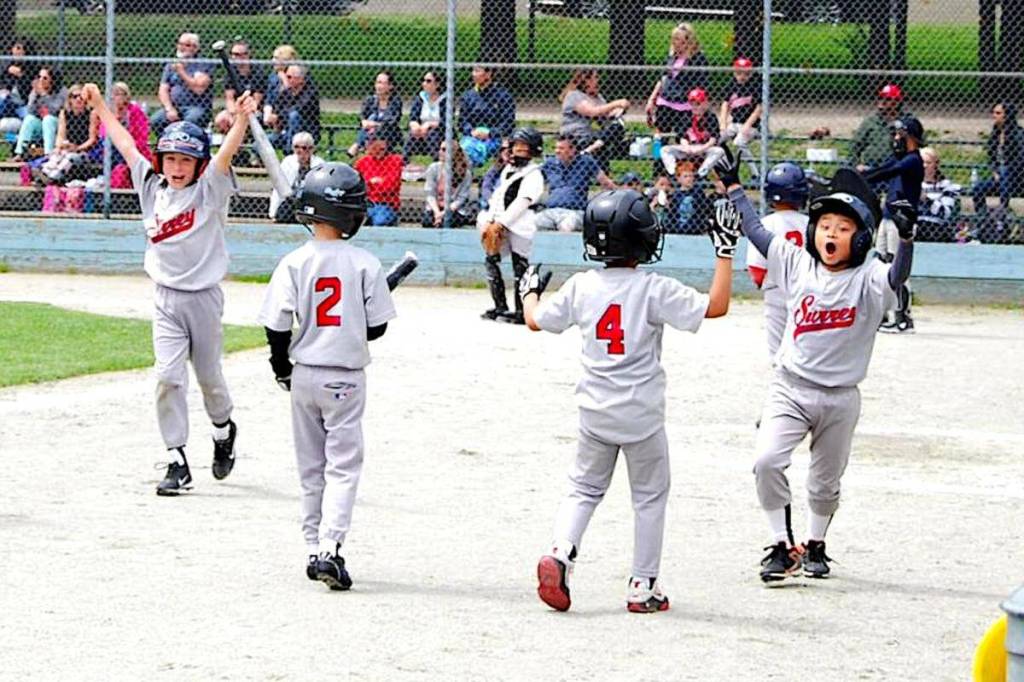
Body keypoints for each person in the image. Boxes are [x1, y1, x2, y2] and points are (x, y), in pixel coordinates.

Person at [524, 188, 736, 614]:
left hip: (594, 413)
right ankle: (643, 586)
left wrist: (529, 291)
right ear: (642, 240)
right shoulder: (653, 288)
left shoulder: (582, 285)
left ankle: (561, 552)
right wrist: (725, 252)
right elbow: (716, 307)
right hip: (641, 416)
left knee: (583, 489)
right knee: (649, 497)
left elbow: (535, 322)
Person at [715, 145, 916, 584]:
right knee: (767, 460)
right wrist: (733, 189)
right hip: (790, 387)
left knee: (825, 483)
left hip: (840, 397)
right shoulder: (797, 264)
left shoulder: (869, 278)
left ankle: (816, 543)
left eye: (843, 228)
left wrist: (905, 238)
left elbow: (898, 276)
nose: (831, 233)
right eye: (825, 225)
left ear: (860, 238)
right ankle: (779, 545)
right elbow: (757, 233)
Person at [81, 81, 257, 496]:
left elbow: (227, 153)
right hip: (165, 299)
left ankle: (222, 429)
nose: (177, 168)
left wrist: (242, 120)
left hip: (204, 298)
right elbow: (126, 145)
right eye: (171, 159)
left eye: (186, 161)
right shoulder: (151, 187)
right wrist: (103, 107)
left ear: (199, 165)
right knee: (167, 377)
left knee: (210, 378)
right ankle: (177, 458)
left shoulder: (209, 191)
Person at [258, 162, 397, 592]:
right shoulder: (364, 263)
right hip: (347, 379)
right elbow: (377, 329)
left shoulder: (294, 261)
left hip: (304, 375)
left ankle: (311, 545)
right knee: (343, 467)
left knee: (311, 468)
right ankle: (331, 547)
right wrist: (354, 316)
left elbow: (277, 324)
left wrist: (281, 366)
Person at [477, 127, 544, 324]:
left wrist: (501, 223)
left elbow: (523, 201)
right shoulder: (507, 170)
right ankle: (500, 306)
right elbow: (498, 198)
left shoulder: (534, 174)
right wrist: (490, 220)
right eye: (516, 146)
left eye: (524, 147)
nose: (518, 151)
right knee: (491, 260)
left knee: (519, 265)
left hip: (520, 225)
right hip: (499, 222)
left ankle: (521, 310)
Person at [864, 115, 925, 334]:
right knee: (881, 264)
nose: (896, 138)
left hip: (902, 222)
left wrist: (865, 176)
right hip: (887, 218)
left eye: (901, 134)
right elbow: (880, 171)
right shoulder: (900, 159)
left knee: (898, 269)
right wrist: (858, 176)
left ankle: (903, 318)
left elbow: (887, 172)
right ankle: (884, 314)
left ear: (911, 137)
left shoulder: (912, 161)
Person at [744, 162, 810, 358]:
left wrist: (763, 284)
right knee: (804, 338)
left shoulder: (765, 224)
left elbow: (756, 269)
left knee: (777, 346)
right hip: (807, 289)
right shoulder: (811, 224)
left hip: (775, 289)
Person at [535, 134, 615, 233]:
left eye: (561, 148)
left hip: (574, 212)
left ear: (573, 150)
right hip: (550, 211)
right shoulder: (550, 163)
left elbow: (606, 183)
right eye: (556, 148)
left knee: (567, 225)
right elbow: (532, 178)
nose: (557, 151)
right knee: (531, 223)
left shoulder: (586, 162)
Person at [644, 23, 710, 139]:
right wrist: (651, 100)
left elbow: (702, 85)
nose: (674, 42)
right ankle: (658, 156)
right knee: (660, 137)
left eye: (678, 39)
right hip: (665, 102)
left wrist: (699, 107)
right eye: (673, 39)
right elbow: (663, 78)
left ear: (688, 41)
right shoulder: (672, 56)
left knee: (683, 138)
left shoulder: (698, 59)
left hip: (685, 105)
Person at [971, 102, 1024, 243]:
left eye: (998, 113)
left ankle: (1002, 218)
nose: (994, 116)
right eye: (994, 112)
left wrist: (1004, 171)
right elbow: (991, 156)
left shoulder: (1018, 134)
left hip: (1016, 179)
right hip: (1000, 178)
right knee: (978, 188)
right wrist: (995, 170)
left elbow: (1020, 159)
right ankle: (983, 220)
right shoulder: (995, 132)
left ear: (1007, 115)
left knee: (1005, 172)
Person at [559, 69, 629, 171]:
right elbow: (592, 111)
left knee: (618, 126)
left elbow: (607, 115)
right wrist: (616, 103)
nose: (598, 80)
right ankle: (593, 148)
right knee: (602, 144)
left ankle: (593, 149)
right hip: (575, 137)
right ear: (585, 80)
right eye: (594, 78)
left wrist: (622, 109)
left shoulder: (596, 97)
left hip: (591, 137)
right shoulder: (574, 95)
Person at [149, 32, 215, 138]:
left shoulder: (203, 64)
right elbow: (163, 90)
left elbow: (199, 89)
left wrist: (181, 71)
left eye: (187, 45)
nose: (182, 47)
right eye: (180, 44)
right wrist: (169, 109)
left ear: (196, 48)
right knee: (156, 120)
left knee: (191, 120)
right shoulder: (171, 65)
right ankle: (166, 144)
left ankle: (188, 147)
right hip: (174, 107)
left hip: (197, 107)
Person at [34, 84, 100, 185]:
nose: (78, 99)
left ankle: (50, 178)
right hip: (69, 147)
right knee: (57, 154)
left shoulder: (91, 113)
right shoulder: (64, 113)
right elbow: (61, 135)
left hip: (86, 151)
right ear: (69, 99)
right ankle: (45, 174)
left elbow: (92, 139)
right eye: (75, 96)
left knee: (70, 157)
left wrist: (77, 148)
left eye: (81, 96)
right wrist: (60, 146)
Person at [95, 81, 151, 189]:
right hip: (111, 147)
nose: (119, 97)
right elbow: (102, 134)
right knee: (107, 143)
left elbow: (143, 134)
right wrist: (116, 118)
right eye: (116, 94)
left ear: (127, 96)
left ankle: (113, 176)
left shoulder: (134, 110)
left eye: (122, 94)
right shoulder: (109, 111)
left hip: (132, 146)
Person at [458, 65, 515, 167]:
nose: (473, 74)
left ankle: (467, 167)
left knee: (473, 150)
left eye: (477, 71)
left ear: (488, 74)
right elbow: (462, 121)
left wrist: (490, 133)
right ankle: (467, 167)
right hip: (472, 136)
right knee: (466, 147)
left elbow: (508, 123)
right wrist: (471, 131)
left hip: (493, 137)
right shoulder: (468, 96)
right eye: (473, 71)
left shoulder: (503, 95)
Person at [658, 87, 720, 177]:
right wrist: (687, 147)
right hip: (688, 148)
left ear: (705, 104)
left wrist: (702, 149)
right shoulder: (686, 116)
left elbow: (713, 138)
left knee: (719, 151)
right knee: (665, 150)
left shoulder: (711, 117)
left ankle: (700, 173)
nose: (695, 107)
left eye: (698, 104)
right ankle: (674, 173)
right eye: (692, 104)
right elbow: (682, 136)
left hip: (704, 148)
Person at [719, 57, 762, 178]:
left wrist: (747, 125)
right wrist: (723, 124)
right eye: (739, 73)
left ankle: (756, 174)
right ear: (734, 72)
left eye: (746, 73)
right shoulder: (731, 85)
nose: (742, 76)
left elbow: (759, 109)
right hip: (735, 123)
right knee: (717, 139)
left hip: (751, 125)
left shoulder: (755, 86)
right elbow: (725, 105)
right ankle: (728, 166)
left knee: (739, 142)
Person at [12, 67, 66, 161]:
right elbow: (30, 110)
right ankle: (20, 152)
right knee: (29, 119)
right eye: (39, 77)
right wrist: (35, 95)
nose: (40, 80)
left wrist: (44, 95)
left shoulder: (62, 91)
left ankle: (48, 155)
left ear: (53, 80)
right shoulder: (37, 90)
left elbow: (56, 110)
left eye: (45, 78)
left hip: (57, 125)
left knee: (48, 119)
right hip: (41, 124)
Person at [269, 131, 325, 222]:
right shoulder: (288, 162)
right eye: (296, 147)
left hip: (311, 200)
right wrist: (273, 212)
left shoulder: (319, 164)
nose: (300, 151)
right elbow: (279, 188)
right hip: (292, 200)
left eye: (304, 148)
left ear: (311, 149)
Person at [213, 40, 265, 135]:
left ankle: (242, 143)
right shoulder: (231, 73)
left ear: (248, 55)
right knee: (221, 119)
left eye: (243, 54)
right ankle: (233, 146)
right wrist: (234, 113)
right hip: (237, 109)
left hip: (253, 109)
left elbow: (257, 100)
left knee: (245, 119)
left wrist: (243, 114)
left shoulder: (257, 72)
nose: (239, 57)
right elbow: (230, 99)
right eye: (235, 54)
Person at [850, 83, 904, 172]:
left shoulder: (906, 121)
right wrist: (856, 165)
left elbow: (920, 145)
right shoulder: (870, 121)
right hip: (871, 168)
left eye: (887, 99)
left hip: (896, 168)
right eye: (880, 98)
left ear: (897, 102)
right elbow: (854, 146)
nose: (882, 101)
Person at [348, 71, 402, 158]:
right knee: (372, 118)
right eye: (377, 82)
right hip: (369, 132)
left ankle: (358, 144)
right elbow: (362, 116)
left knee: (373, 120)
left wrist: (375, 124)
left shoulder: (395, 101)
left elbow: (393, 121)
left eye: (382, 83)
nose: (378, 86)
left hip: (389, 134)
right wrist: (364, 122)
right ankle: (362, 144)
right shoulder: (370, 100)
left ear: (390, 86)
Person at [266, 64, 321, 149]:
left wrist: (279, 116)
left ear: (301, 79)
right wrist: (273, 118)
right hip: (286, 132)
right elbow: (277, 109)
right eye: (287, 76)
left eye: (289, 77)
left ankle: (290, 152)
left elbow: (298, 109)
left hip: (306, 133)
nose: (287, 80)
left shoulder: (310, 93)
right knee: (258, 145)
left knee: (294, 116)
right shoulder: (286, 92)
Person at [353, 135, 403, 226]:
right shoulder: (362, 162)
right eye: (376, 149)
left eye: (382, 149)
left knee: (379, 222)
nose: (379, 152)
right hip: (366, 202)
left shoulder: (395, 161)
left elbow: (390, 187)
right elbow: (356, 185)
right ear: (369, 147)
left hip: (386, 203)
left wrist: (369, 184)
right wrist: (372, 182)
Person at [422, 140, 472, 227]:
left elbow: (460, 199)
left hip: (453, 209)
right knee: (427, 221)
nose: (440, 152)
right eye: (440, 149)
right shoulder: (434, 168)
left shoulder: (466, 173)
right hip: (436, 208)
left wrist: (444, 213)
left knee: (447, 221)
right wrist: (437, 213)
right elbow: (430, 194)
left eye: (444, 150)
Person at [917, 146, 961, 240]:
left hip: (936, 228)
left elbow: (945, 213)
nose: (924, 166)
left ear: (936, 165)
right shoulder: (910, 184)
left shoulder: (947, 186)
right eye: (921, 162)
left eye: (928, 163)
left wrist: (926, 200)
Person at [404, 71, 447, 163]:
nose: (424, 84)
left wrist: (429, 125)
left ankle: (437, 161)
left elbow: (445, 121)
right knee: (412, 132)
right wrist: (415, 125)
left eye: (428, 81)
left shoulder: (445, 100)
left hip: (439, 133)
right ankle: (404, 162)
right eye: (423, 80)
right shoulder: (420, 98)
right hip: (420, 132)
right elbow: (413, 117)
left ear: (437, 84)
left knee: (432, 133)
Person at [664, 160, 713, 235]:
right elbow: (672, 212)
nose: (689, 179)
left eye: (691, 176)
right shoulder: (676, 195)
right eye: (685, 176)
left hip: (695, 228)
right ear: (678, 178)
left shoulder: (698, 192)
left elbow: (703, 210)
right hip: (677, 227)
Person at [0, 38, 37, 136]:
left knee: (28, 117)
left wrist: (21, 75)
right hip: (7, 103)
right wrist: (7, 69)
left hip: (22, 104)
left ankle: (15, 140)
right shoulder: (5, 64)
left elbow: (31, 87)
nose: (19, 52)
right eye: (17, 48)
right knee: (2, 97)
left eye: (23, 49)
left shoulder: (32, 67)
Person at [265, 44, 298, 117]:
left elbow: (292, 98)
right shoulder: (273, 76)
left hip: (290, 111)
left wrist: (284, 79)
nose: (273, 60)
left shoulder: (297, 75)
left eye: (276, 58)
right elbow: (269, 98)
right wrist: (268, 111)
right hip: (276, 110)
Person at [479, 138, 510, 210]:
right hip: (494, 200)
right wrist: (491, 200)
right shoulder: (495, 167)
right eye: (503, 149)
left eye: (509, 148)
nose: (506, 151)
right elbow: (486, 186)